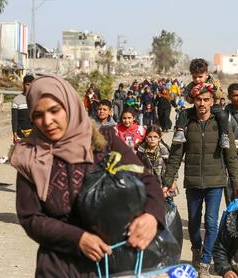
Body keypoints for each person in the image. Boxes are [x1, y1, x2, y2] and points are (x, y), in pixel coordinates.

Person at [10, 74, 165, 277]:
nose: (47, 121)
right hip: (59, 266)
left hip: (117, 264)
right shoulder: (28, 156)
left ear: (70, 106)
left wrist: (151, 215)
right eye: (38, 115)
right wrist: (78, 239)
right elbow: (30, 217)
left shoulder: (104, 141)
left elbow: (146, 179)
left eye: (55, 110)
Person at [162, 85, 238, 277]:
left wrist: (237, 184)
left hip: (215, 181)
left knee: (211, 222)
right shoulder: (186, 123)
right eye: (199, 100)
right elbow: (175, 155)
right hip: (193, 181)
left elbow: (231, 156)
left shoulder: (221, 124)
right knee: (193, 223)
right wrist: (168, 180)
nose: (202, 103)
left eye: (206, 100)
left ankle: (206, 261)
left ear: (212, 101)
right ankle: (196, 249)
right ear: (193, 101)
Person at [172, 58, 230, 149]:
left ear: (206, 75)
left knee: (223, 115)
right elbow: (189, 100)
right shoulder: (191, 85)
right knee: (183, 113)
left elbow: (220, 95)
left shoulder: (214, 82)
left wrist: (212, 88)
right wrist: (191, 93)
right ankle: (180, 132)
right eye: (194, 77)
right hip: (197, 108)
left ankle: (224, 137)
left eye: (200, 76)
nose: (197, 80)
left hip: (213, 107)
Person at [11, 74, 34, 144]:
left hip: (35, 134)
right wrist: (15, 133)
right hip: (21, 134)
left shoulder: (37, 99)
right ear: (23, 85)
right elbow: (14, 119)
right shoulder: (17, 100)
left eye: (31, 85)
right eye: (27, 84)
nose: (29, 87)